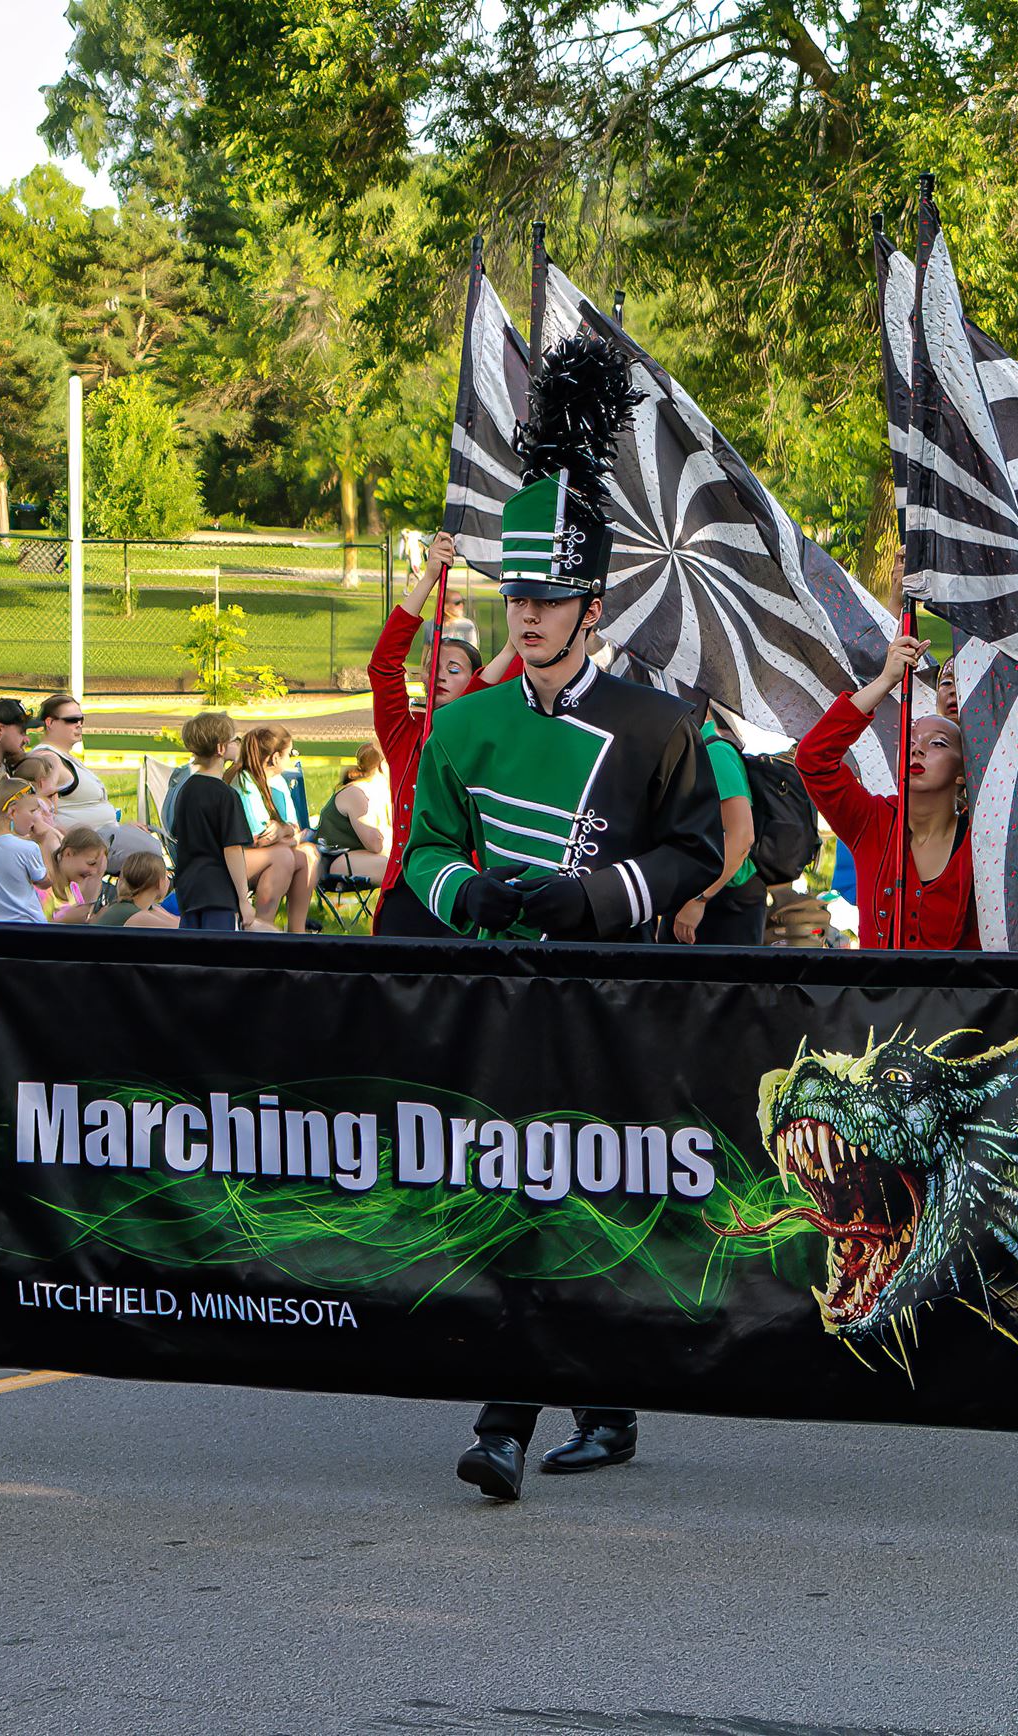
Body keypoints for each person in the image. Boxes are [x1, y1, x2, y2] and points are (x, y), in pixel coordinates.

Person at [404, 335, 720, 1502]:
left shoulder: (654, 723)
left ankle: (517, 1417)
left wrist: (594, 894)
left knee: (578, 1195)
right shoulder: (464, 724)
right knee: (520, 1194)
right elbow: (427, 849)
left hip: (610, 991)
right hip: (501, 990)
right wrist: (468, 893)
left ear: (591, 603)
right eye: (514, 595)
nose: (525, 613)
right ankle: (550, 1407)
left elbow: (696, 846)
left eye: (544, 597)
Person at [365, 530, 517, 937]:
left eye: (454, 670)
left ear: (474, 681)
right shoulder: (404, 733)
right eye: (432, 667)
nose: (439, 676)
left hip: (462, 898)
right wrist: (430, 575)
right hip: (404, 896)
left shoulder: (484, 734)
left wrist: (513, 641)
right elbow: (383, 666)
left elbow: (508, 684)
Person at [795, 633, 974, 949]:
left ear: (963, 773)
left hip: (957, 998)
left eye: (937, 744)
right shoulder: (870, 820)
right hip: (875, 997)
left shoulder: (984, 840)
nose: (916, 751)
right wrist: (885, 681)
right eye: (910, 741)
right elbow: (813, 758)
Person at [27, 693, 154, 867]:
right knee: (151, 856)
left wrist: (120, 826)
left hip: (106, 835)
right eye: (71, 720)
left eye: (81, 719)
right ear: (50, 723)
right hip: (87, 845)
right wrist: (60, 835)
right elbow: (36, 806)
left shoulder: (66, 757)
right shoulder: (48, 759)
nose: (78, 724)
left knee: (153, 842)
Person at [675, 709, 763, 946]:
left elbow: (742, 837)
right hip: (708, 895)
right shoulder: (692, 752)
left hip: (726, 899)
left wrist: (699, 900)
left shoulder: (713, 753)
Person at [167, 711, 256, 932]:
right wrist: (244, 900)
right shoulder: (226, 795)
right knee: (218, 957)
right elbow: (233, 849)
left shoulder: (186, 789)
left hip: (189, 889)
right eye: (234, 740)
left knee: (191, 960)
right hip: (218, 892)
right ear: (220, 748)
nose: (238, 743)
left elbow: (178, 833)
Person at [236, 723, 317, 933]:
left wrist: (284, 832)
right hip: (233, 858)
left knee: (309, 854)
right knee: (284, 856)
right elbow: (260, 839)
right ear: (274, 758)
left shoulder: (279, 782)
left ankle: (296, 933)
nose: (292, 757)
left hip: (264, 854)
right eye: (290, 753)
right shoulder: (245, 782)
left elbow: (293, 828)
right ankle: (263, 929)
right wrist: (290, 837)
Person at [0, 775, 53, 923]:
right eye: (32, 811)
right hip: (27, 928)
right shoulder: (28, 848)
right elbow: (45, 882)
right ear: (12, 812)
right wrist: (43, 842)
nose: (35, 819)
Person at [314, 763, 391, 890]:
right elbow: (376, 844)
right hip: (334, 863)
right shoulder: (357, 793)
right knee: (405, 867)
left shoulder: (376, 793)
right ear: (382, 766)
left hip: (356, 858)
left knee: (413, 862)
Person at [93, 850, 179, 928]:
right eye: (166, 876)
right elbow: (183, 927)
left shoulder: (125, 907)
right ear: (159, 883)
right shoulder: (139, 917)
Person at [47, 826, 109, 923]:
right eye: (91, 863)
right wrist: (64, 920)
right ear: (68, 853)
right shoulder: (45, 889)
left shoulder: (75, 889)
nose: (93, 872)